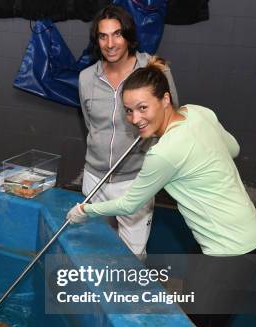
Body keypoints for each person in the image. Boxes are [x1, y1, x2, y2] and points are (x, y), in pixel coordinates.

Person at [68, 57, 256, 327]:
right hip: (253, 238)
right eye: (128, 111)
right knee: (208, 325)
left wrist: (85, 210)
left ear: (165, 99)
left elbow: (130, 204)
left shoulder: (164, 152)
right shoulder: (198, 112)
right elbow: (233, 148)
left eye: (142, 108)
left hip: (228, 253)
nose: (135, 118)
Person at [78, 5, 179, 259]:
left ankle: (128, 297)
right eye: (103, 36)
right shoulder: (86, 78)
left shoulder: (154, 70)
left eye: (117, 34)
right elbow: (91, 125)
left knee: (132, 255)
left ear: (129, 36)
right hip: (94, 178)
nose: (110, 43)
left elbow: (171, 122)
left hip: (135, 181)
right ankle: (101, 296)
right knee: (96, 248)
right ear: (96, 40)